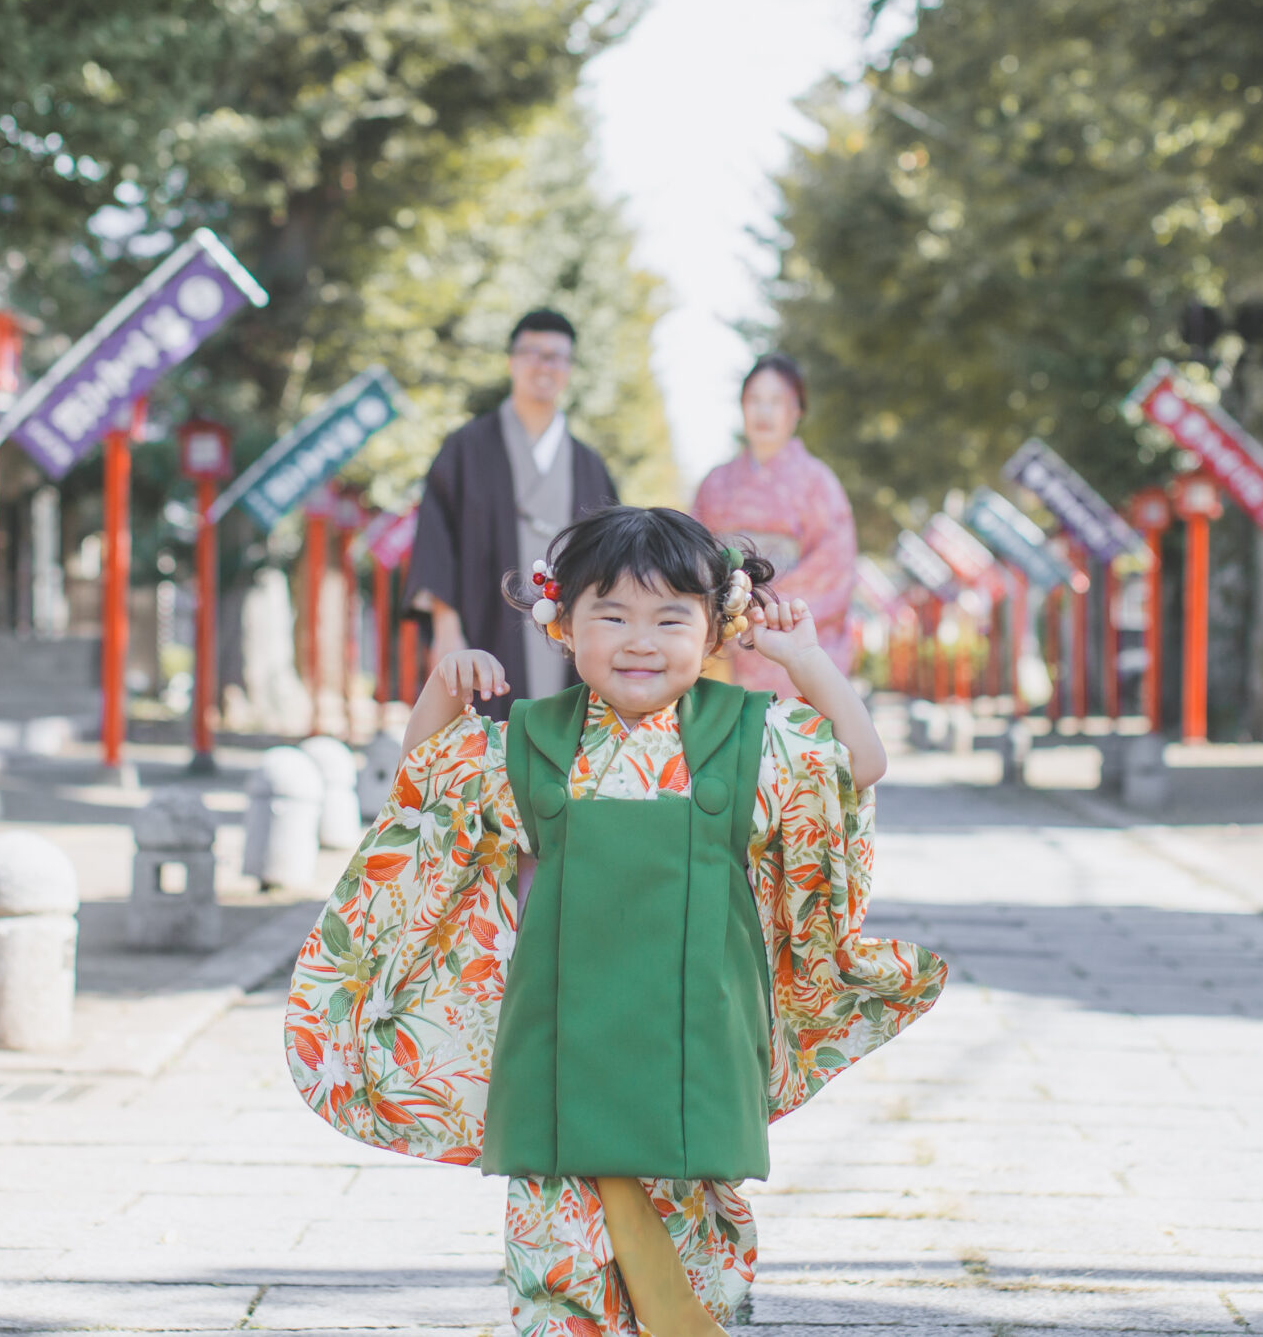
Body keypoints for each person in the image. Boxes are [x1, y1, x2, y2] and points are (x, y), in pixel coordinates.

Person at [285, 506, 946, 1335]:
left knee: (697, 1255)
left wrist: (806, 660)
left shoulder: (750, 738)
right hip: (563, 1038)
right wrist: (439, 691)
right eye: (613, 614)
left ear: (717, 629)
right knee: (560, 1263)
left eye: (672, 617)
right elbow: (423, 793)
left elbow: (859, 764)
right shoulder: (529, 742)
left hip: (696, 1039)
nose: (641, 639)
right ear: (561, 623)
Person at [408, 309, 620, 718]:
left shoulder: (590, 465)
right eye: (532, 353)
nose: (544, 365)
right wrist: (447, 631)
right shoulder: (465, 449)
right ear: (512, 362)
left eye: (557, 356)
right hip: (483, 626)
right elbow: (437, 539)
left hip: (570, 643)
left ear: (570, 368)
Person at [691, 353, 859, 700]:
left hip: (787, 638)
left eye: (776, 401)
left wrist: (758, 607)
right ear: (741, 407)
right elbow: (692, 558)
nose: (763, 412)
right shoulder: (715, 483)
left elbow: (834, 570)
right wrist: (723, 609)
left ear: (796, 411)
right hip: (727, 639)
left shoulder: (817, 483)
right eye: (754, 400)